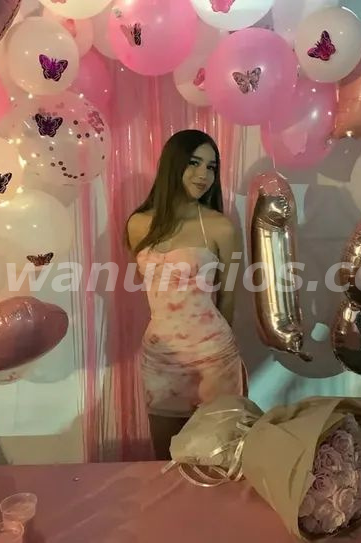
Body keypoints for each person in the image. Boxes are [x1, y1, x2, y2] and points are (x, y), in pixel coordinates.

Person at [125, 129, 247, 460]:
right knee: (165, 459)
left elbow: (228, 297)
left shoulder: (220, 227)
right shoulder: (138, 224)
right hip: (160, 357)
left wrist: (217, 353)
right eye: (194, 163)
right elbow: (155, 288)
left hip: (213, 357)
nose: (203, 175)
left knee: (218, 459)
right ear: (173, 164)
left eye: (211, 167)